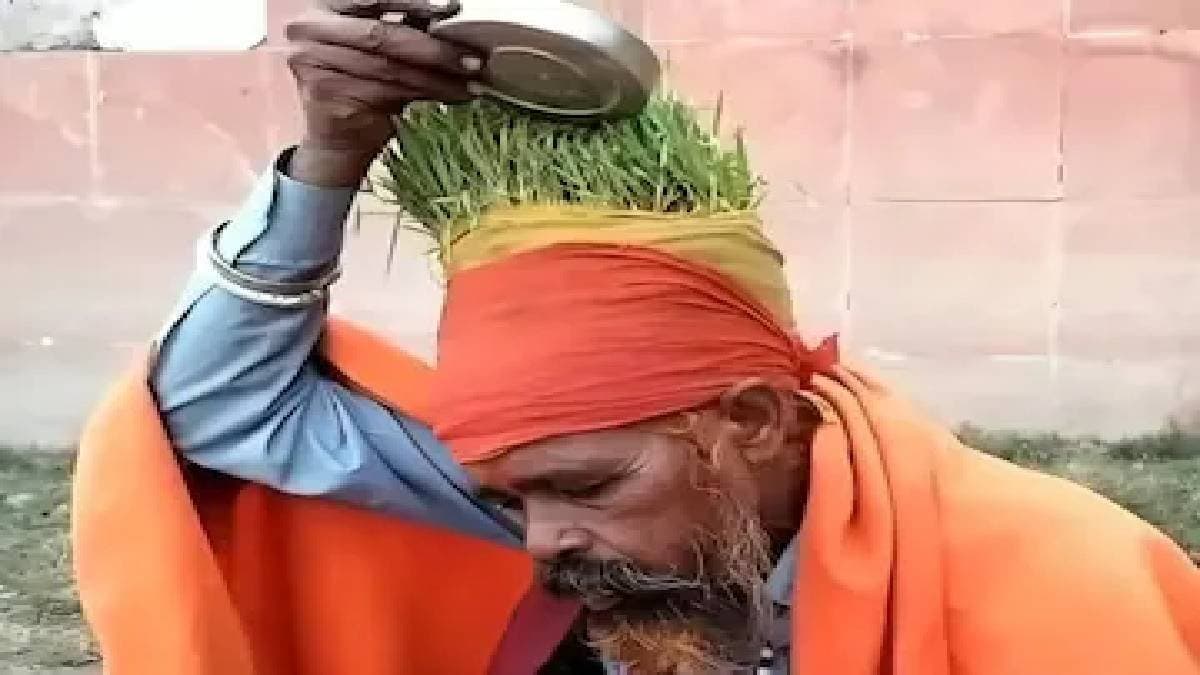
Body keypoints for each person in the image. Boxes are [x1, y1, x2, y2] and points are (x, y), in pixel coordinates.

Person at [74, 1, 1200, 674]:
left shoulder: (1065, 587)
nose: (537, 543)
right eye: (509, 501)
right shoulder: (592, 487)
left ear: (752, 421)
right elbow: (222, 409)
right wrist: (329, 159)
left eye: (579, 485)